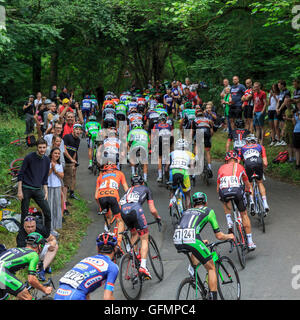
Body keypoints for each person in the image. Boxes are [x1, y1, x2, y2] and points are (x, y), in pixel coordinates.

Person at [173, 192, 234, 300]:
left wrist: (200, 241)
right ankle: (213, 298)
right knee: (211, 267)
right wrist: (229, 236)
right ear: (205, 202)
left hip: (177, 238)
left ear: (193, 203)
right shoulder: (208, 211)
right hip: (192, 239)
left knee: (195, 249)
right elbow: (219, 236)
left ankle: (192, 274)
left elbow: (189, 228)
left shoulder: (186, 211)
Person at [54, 232, 119, 300]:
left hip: (59, 293)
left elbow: (86, 294)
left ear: (97, 248)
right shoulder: (112, 267)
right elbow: (107, 298)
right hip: (76, 295)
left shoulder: (86, 260)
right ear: (115, 248)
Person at [120, 175, 161, 279]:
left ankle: (131, 255)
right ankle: (143, 266)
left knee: (134, 233)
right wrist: (157, 217)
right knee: (144, 237)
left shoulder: (128, 190)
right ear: (142, 183)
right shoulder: (146, 189)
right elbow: (152, 210)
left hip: (124, 211)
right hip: (135, 210)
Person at [217, 150, 256, 250]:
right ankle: (250, 242)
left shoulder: (221, 168)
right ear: (236, 160)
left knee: (224, 199)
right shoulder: (240, 167)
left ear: (226, 161)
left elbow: (218, 188)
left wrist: (222, 198)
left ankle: (229, 220)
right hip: (237, 192)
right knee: (244, 214)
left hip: (224, 192)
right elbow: (247, 184)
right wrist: (249, 193)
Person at [0, 232, 53, 300]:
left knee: (5, 298)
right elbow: (31, 279)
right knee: (27, 297)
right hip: (2, 273)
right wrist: (44, 289)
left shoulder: (16, 250)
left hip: (3, 274)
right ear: (39, 246)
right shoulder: (33, 254)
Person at [17, 138, 52, 238]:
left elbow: (45, 178)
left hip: (37, 189)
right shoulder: (29, 157)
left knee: (47, 212)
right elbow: (21, 174)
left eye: (44, 147)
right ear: (37, 147)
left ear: (46, 147)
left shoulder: (46, 160)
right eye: (40, 147)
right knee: (24, 214)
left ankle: (46, 234)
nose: (42, 149)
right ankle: (23, 236)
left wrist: (46, 192)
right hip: (26, 188)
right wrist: (20, 191)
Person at [95, 163, 128, 247]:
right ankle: (119, 243)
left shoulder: (100, 176)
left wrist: (100, 208)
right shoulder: (120, 173)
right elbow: (126, 189)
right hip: (113, 195)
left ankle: (107, 236)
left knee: (108, 217)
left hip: (101, 196)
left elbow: (96, 197)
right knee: (120, 220)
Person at [16, 216, 58, 281]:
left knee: (55, 246)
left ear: (35, 226)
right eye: (28, 227)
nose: (30, 229)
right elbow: (23, 253)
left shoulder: (40, 228)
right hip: (29, 256)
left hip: (39, 251)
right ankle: (41, 267)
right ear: (24, 227)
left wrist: (53, 242)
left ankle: (42, 269)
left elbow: (52, 238)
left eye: (32, 227)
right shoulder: (20, 235)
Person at [241, 134, 269, 214]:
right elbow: (265, 163)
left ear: (247, 142)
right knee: (259, 182)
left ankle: (252, 202)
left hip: (248, 164)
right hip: (258, 162)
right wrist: (263, 169)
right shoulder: (260, 146)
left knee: (249, 184)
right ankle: (265, 203)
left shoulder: (243, 148)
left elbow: (239, 162)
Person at [169, 139, 195, 209]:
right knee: (187, 194)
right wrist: (192, 176)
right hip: (184, 172)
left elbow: (165, 167)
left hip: (173, 171)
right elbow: (192, 168)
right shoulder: (190, 154)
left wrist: (167, 179)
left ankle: (171, 201)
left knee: (172, 189)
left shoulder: (172, 153)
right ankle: (188, 211)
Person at [63, 123, 82, 203]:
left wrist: (74, 163)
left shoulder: (78, 140)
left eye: (79, 130)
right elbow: (64, 150)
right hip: (64, 160)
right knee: (65, 180)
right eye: (76, 129)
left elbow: (75, 151)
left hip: (72, 160)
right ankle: (64, 199)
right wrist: (71, 159)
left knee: (73, 175)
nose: (78, 131)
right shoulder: (67, 137)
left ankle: (72, 193)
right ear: (73, 130)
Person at [192, 107, 213, 178]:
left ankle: (197, 156)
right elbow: (211, 131)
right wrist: (210, 137)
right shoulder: (208, 120)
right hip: (207, 133)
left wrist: (192, 139)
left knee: (196, 145)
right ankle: (210, 167)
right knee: (207, 151)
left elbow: (192, 131)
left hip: (200, 132)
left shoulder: (194, 120)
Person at [47, 147, 64, 235]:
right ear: (51, 154)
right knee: (49, 206)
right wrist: (51, 168)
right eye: (55, 153)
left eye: (58, 153)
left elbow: (62, 176)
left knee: (56, 206)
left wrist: (55, 170)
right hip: (49, 187)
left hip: (57, 186)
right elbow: (46, 175)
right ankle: (49, 227)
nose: (57, 155)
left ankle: (54, 226)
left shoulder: (59, 164)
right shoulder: (47, 163)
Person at [153, 112, 173, 182]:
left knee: (160, 157)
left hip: (160, 139)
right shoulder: (169, 125)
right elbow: (172, 134)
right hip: (168, 139)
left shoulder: (156, 125)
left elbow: (154, 135)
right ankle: (167, 170)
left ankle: (160, 176)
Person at [275, 80, 291, 146]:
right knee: (281, 124)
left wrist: (280, 109)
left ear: (282, 85)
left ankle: (284, 139)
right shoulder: (281, 92)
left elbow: (285, 102)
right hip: (279, 110)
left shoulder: (287, 92)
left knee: (284, 124)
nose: (278, 86)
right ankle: (282, 139)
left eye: (279, 85)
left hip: (284, 109)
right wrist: (277, 108)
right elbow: (279, 101)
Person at [293, 104, 300, 169]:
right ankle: (297, 164)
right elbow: (294, 123)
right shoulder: (295, 113)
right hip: (296, 131)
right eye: (298, 104)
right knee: (297, 148)